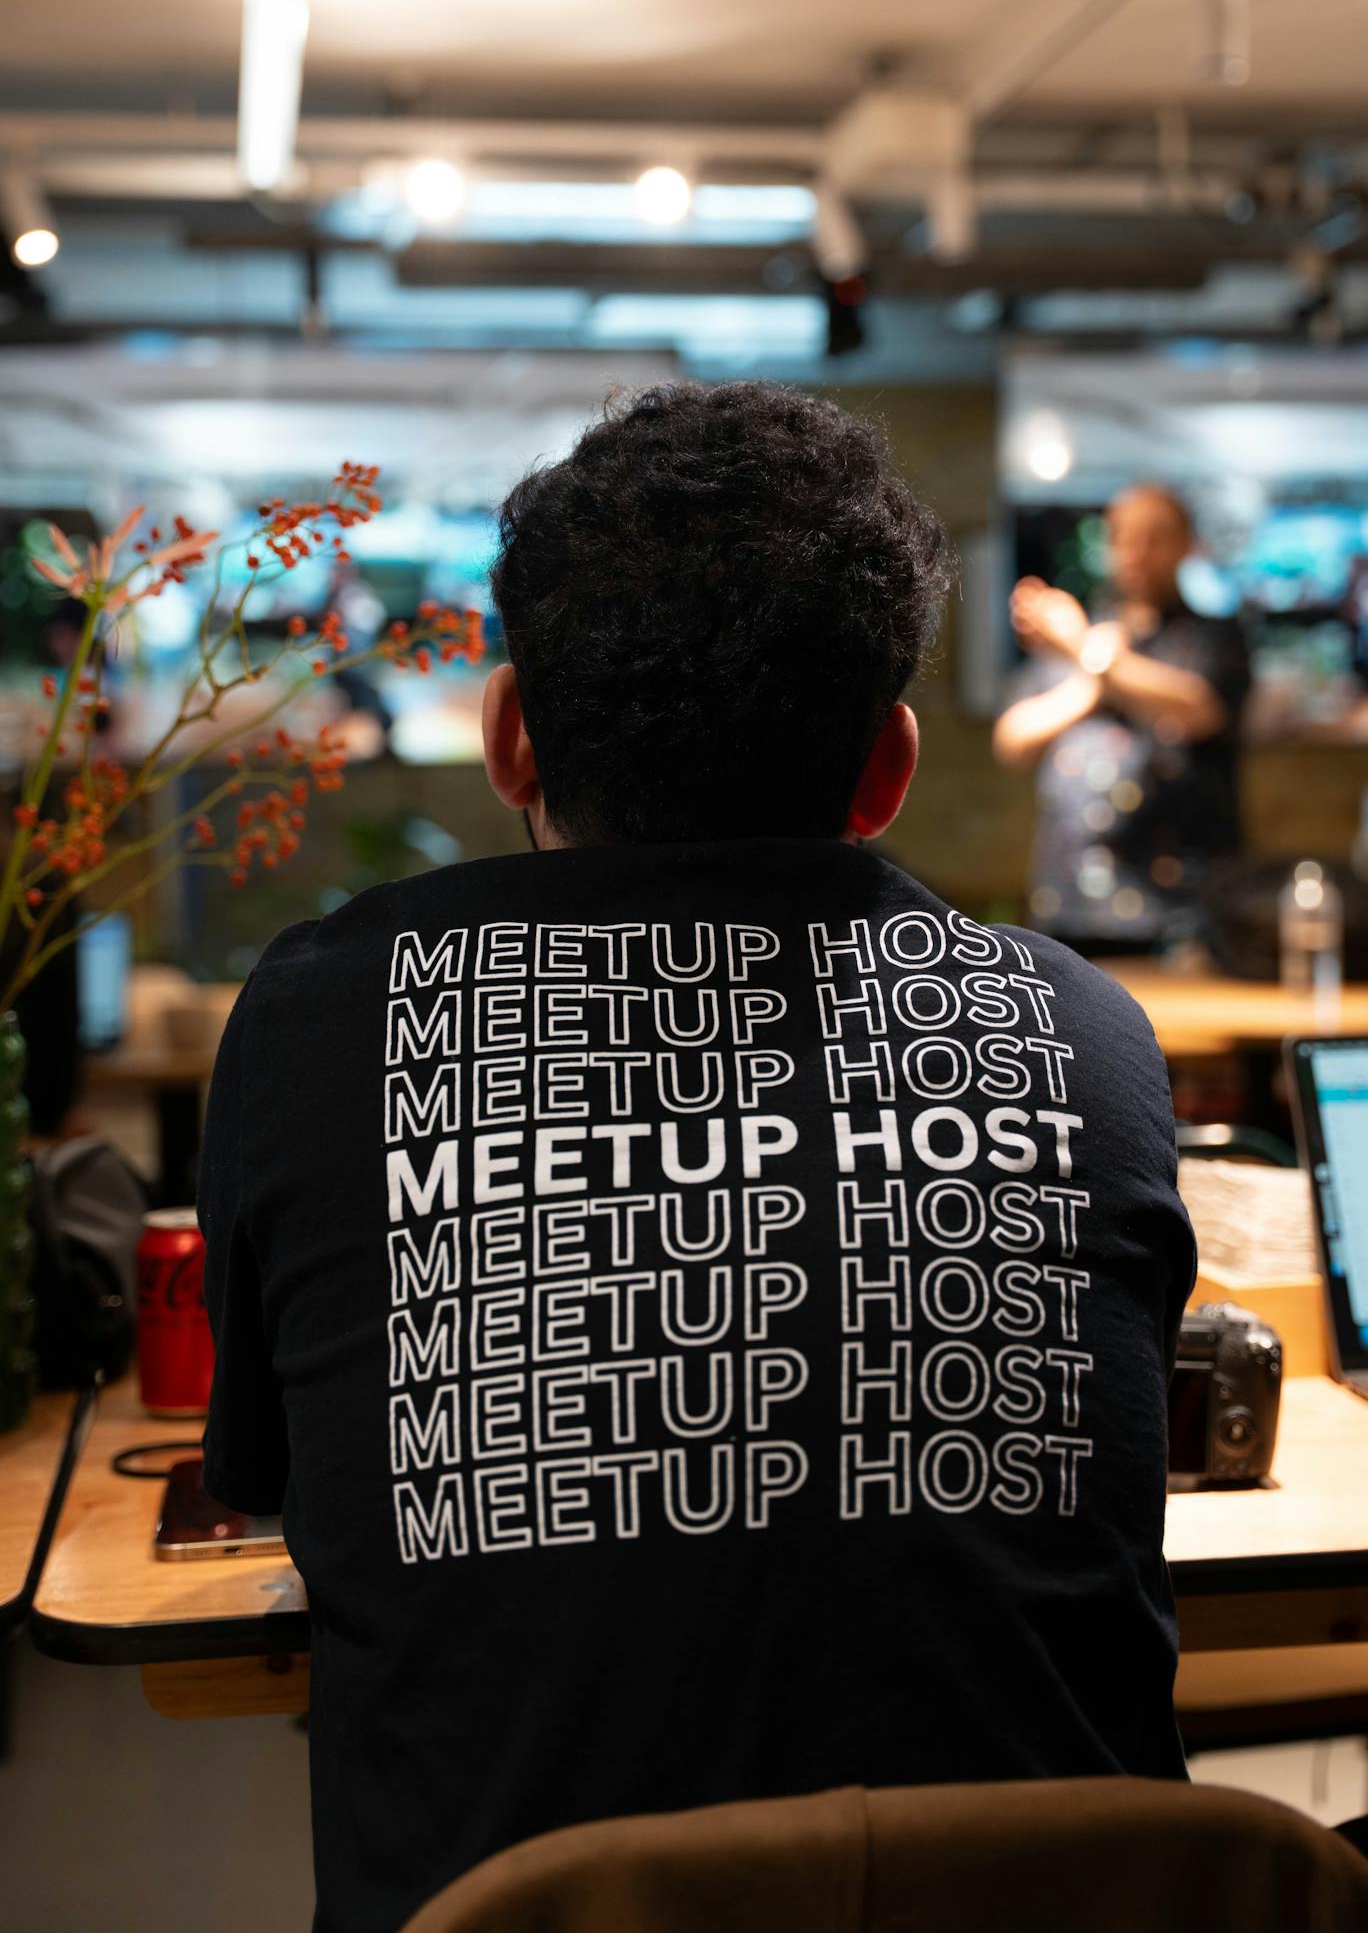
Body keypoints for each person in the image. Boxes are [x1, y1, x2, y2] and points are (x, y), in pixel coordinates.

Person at [200, 385, 1197, 1933]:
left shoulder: (324, 1019)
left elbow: (267, 1483)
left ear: (512, 735)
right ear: (890, 768)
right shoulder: (1087, 1037)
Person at [993, 486, 1251, 955]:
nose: (1136, 552)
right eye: (1123, 537)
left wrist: (1078, 648)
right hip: (1067, 902)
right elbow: (1012, 740)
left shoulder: (1211, 636)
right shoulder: (1092, 638)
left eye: (1155, 537)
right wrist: (1093, 682)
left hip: (1177, 908)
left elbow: (1198, 709)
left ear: (1185, 545)